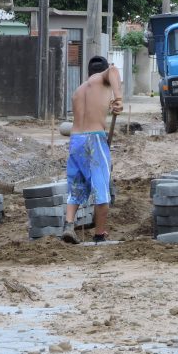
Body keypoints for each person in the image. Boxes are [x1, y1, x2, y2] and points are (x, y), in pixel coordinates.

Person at [62, 56, 123, 244]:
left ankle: (69, 225)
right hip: (94, 139)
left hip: (76, 141)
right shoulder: (101, 79)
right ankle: (99, 234)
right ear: (101, 73)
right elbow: (114, 70)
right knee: (101, 188)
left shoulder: (78, 91)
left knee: (77, 187)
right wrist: (118, 98)